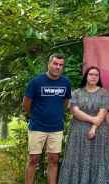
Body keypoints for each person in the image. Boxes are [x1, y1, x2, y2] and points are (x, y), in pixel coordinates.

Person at [23, 53, 72, 184]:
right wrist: (35, 116)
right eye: (55, 64)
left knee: (54, 159)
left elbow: (66, 102)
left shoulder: (66, 82)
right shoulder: (36, 82)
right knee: (33, 159)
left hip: (56, 127)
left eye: (61, 65)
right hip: (37, 127)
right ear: (49, 64)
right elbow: (26, 103)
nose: (58, 67)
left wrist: (57, 113)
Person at [58, 66, 109, 184]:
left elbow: (102, 113)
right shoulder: (76, 93)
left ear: (99, 78)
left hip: (98, 132)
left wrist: (93, 128)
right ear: (86, 76)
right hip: (78, 133)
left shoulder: (104, 93)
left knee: (97, 160)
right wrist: (93, 120)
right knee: (76, 159)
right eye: (91, 74)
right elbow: (75, 111)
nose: (93, 77)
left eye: (96, 75)